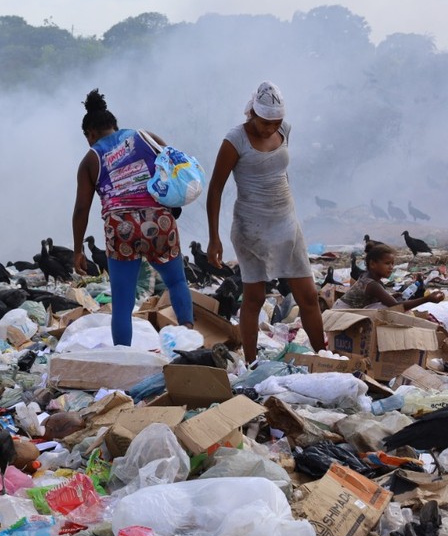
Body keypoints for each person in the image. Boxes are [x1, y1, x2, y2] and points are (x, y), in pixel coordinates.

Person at [205, 81, 325, 364]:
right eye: (265, 122)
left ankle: (324, 358)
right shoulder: (235, 141)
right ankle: (250, 362)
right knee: (254, 298)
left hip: (286, 224)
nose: (271, 128)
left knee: (308, 297)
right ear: (252, 115)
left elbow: (280, 173)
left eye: (276, 121)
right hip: (251, 229)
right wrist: (214, 238)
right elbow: (215, 189)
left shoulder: (285, 130)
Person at [72, 88, 193, 346]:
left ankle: (122, 358)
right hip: (158, 220)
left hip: (121, 226)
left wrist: (77, 249)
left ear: (89, 134)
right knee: (177, 281)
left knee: (123, 302)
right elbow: (175, 163)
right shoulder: (144, 136)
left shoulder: (91, 159)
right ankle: (189, 341)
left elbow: (82, 209)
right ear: (115, 126)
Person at [334, 243, 444, 310]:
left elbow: (370, 299)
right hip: (342, 315)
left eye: (392, 263)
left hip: (343, 311)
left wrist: (391, 296)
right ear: (372, 264)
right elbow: (397, 307)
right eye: (387, 263)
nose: (391, 267)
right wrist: (427, 299)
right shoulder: (372, 284)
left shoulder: (369, 278)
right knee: (388, 309)